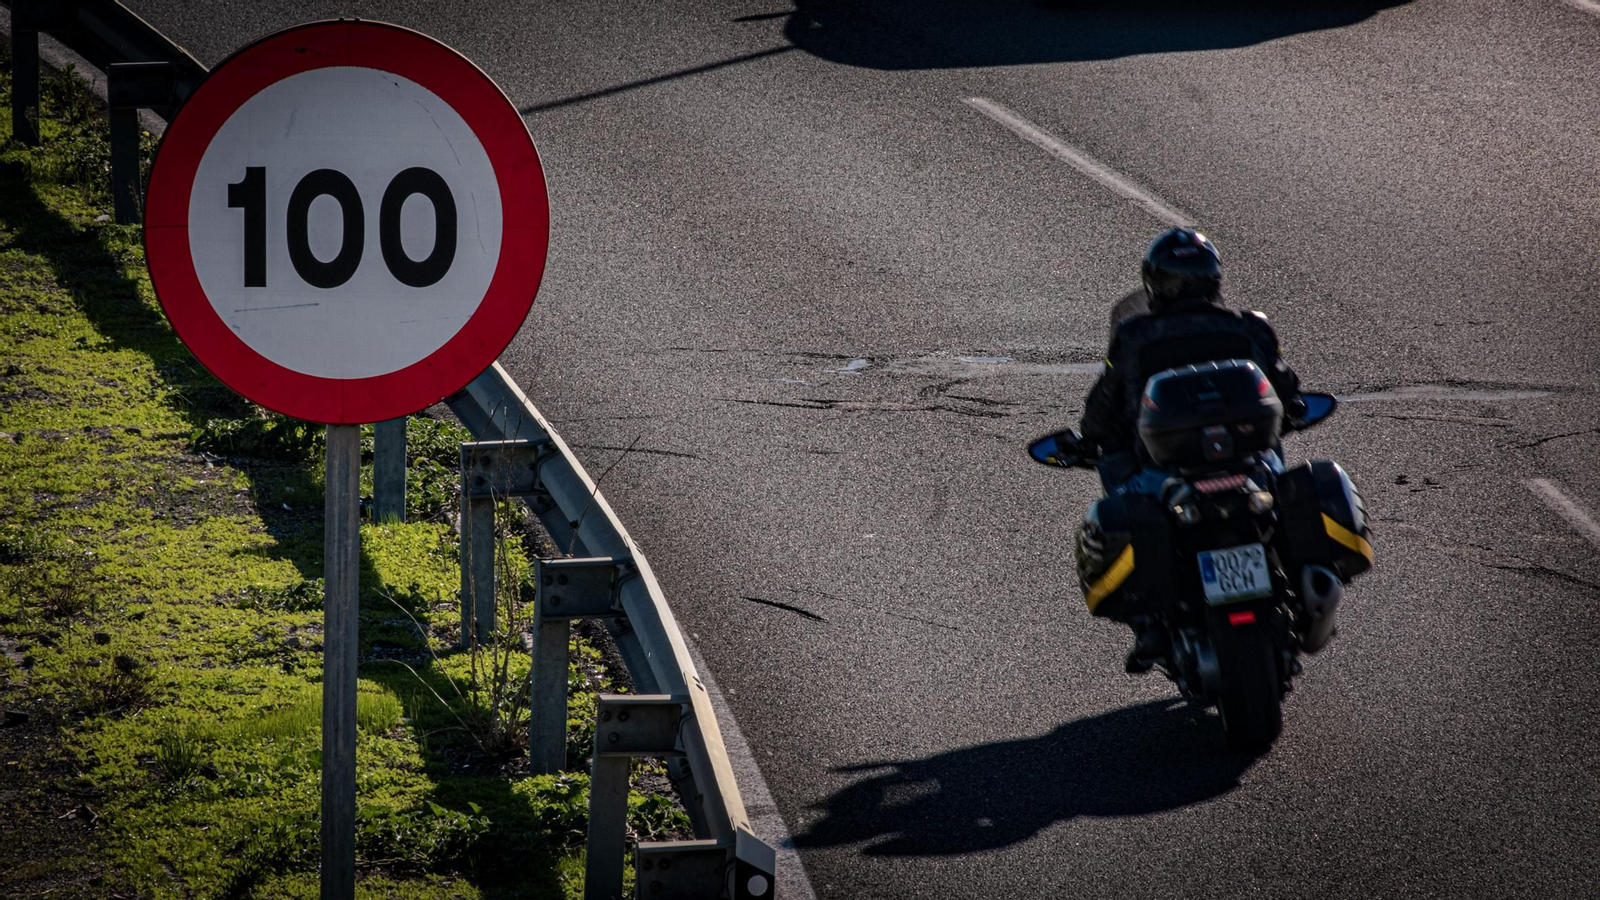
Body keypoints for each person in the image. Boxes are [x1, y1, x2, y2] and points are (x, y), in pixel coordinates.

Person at [1078, 227, 1304, 671]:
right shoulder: (1249, 327)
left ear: (1155, 283)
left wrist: (1089, 438)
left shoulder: (1135, 337)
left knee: (1122, 485)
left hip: (1168, 471)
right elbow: (1286, 388)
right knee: (1281, 491)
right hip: (1248, 463)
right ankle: (1303, 578)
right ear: (1211, 278)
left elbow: (1105, 406)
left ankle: (1148, 622)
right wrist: (1292, 407)